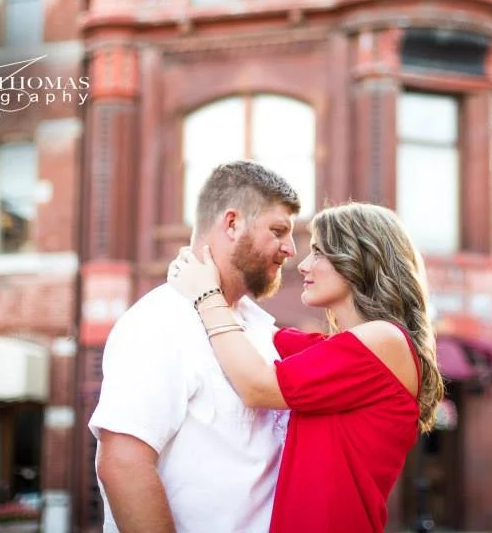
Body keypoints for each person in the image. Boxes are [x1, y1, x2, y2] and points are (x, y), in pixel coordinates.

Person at [168, 202, 446, 533]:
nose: (303, 265)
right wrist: (220, 281)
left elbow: (258, 386)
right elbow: (262, 336)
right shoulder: (345, 349)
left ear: (358, 259)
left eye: (318, 252)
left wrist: (208, 295)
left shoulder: (384, 341)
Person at [88, 160, 302, 533]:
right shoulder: (160, 322)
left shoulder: (259, 328)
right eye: (279, 231)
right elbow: (122, 464)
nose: (291, 249)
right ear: (232, 223)